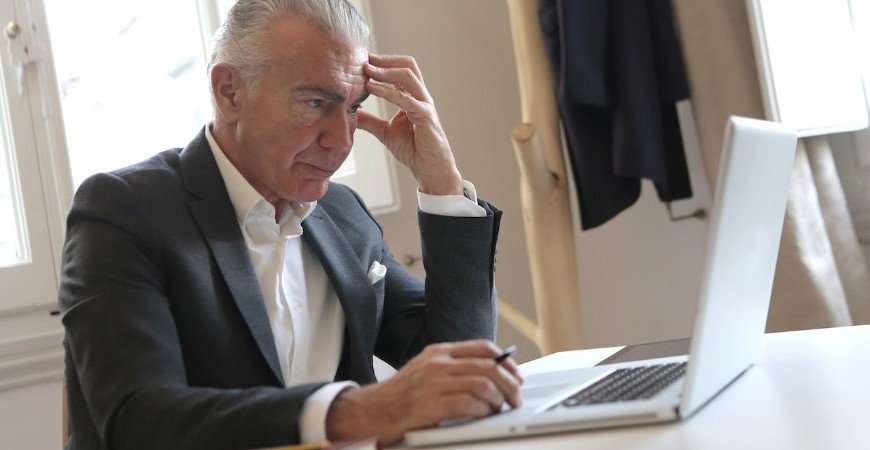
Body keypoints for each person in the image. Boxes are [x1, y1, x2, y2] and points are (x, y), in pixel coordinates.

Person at [58, 1, 522, 449]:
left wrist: (442, 183)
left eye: (353, 108)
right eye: (316, 102)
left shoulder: (343, 213)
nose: (342, 140)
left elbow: (460, 368)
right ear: (229, 92)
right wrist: (355, 411)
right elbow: (138, 421)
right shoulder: (122, 211)